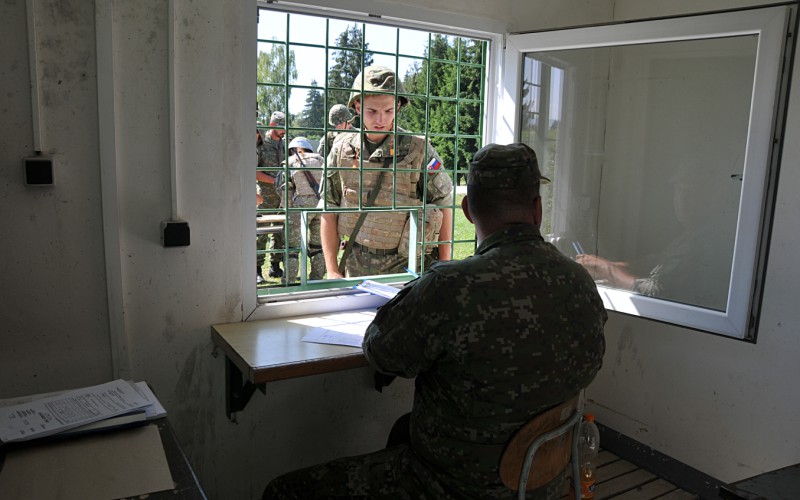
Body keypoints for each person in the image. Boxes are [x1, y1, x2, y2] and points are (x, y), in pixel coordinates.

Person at [263, 142, 608, 499]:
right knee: (401, 430)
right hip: (544, 483)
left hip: (448, 486)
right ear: (537, 209)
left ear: (468, 210)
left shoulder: (451, 288)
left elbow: (380, 352)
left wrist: (417, 294)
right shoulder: (579, 283)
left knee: (282, 492)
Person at [319, 65, 454, 279]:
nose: (380, 120)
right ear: (357, 106)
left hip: (408, 269)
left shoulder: (418, 150)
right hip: (355, 265)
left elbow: (444, 203)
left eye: (388, 111)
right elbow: (329, 208)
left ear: (398, 107)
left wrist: (445, 267)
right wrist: (332, 270)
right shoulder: (341, 149)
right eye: (372, 111)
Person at [274, 137, 326, 284]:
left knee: (292, 247)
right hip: (321, 205)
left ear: (292, 149)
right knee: (318, 246)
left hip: (300, 206)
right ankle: (317, 279)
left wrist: (286, 208)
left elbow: (283, 188)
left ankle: (289, 281)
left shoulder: (290, 163)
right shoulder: (321, 160)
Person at [257, 111, 287, 282]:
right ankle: (257, 269)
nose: (283, 131)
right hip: (265, 196)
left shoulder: (284, 144)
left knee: (280, 233)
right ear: (272, 125)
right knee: (261, 233)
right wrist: (275, 181)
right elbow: (255, 172)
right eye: (280, 127)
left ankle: (275, 266)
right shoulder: (262, 143)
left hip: (281, 196)